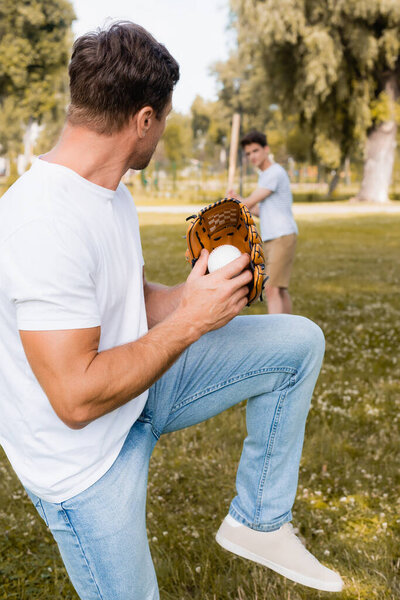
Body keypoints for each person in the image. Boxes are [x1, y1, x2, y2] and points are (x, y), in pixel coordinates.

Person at [0, 22, 343, 599]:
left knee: (297, 343)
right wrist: (193, 322)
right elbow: (76, 399)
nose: (162, 130)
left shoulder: (110, 192)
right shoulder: (41, 221)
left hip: (141, 390)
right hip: (83, 465)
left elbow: (136, 302)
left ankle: (258, 522)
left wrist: (205, 289)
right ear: (143, 120)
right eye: (163, 118)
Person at [228, 131, 298, 314]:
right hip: (276, 236)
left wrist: (234, 203)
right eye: (248, 153)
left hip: (282, 235)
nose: (252, 156)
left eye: (256, 151)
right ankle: (290, 328)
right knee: (280, 289)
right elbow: (259, 210)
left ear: (266, 150)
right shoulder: (266, 175)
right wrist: (238, 200)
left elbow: (249, 204)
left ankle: (278, 335)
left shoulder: (273, 173)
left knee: (272, 288)